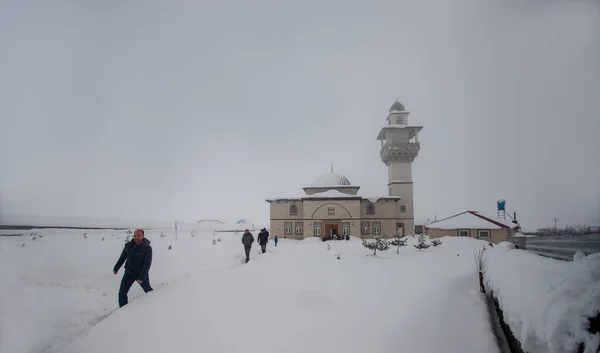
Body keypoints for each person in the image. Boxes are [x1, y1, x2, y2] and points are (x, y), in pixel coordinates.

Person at [113, 229, 153, 307]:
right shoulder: (128, 246)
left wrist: (141, 277)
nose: (136, 238)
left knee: (148, 291)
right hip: (129, 273)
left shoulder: (147, 248)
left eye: (138, 236)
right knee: (122, 293)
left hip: (141, 274)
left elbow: (147, 264)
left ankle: (155, 303)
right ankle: (122, 311)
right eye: (135, 236)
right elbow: (122, 258)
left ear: (143, 236)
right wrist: (116, 268)